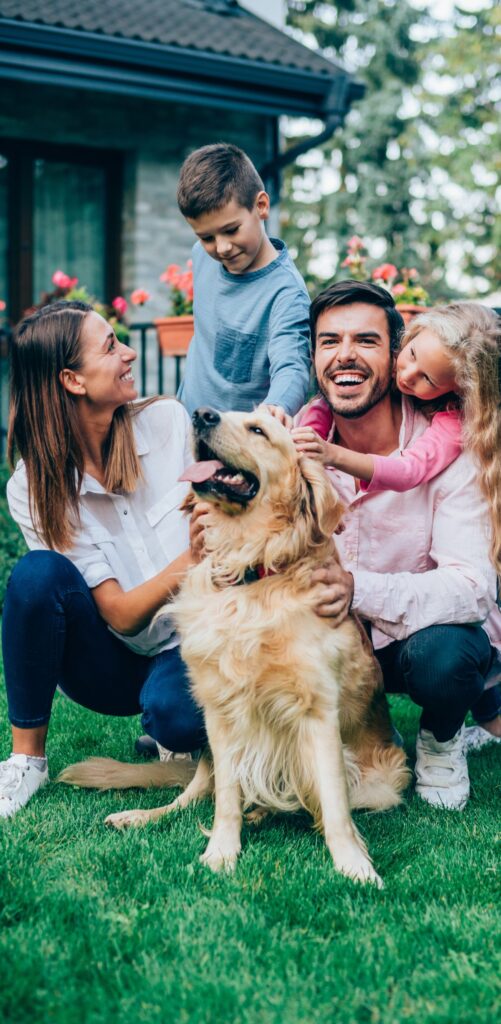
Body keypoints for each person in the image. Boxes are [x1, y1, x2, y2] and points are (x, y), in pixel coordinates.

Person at [294, 281, 501, 810]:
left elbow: (472, 588)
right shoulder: (299, 441)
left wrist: (356, 588)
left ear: (391, 350)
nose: (344, 356)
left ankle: (440, 736)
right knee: (176, 711)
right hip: (325, 643)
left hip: (405, 644)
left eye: (365, 340)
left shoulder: (450, 446)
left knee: (448, 656)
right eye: (328, 341)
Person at [0, 300, 207, 819]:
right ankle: (26, 762)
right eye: (112, 346)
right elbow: (119, 613)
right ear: (72, 379)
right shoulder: (32, 486)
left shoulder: (166, 422)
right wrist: (194, 556)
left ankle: (166, 730)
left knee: (178, 718)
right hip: (108, 660)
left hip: (194, 638)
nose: (130, 353)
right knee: (35, 576)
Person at [176, 143, 311, 424]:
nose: (221, 248)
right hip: (186, 426)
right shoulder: (201, 255)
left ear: (261, 206)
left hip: (233, 445)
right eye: (207, 237)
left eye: (231, 230)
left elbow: (292, 363)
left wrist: (278, 406)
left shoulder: (286, 294)